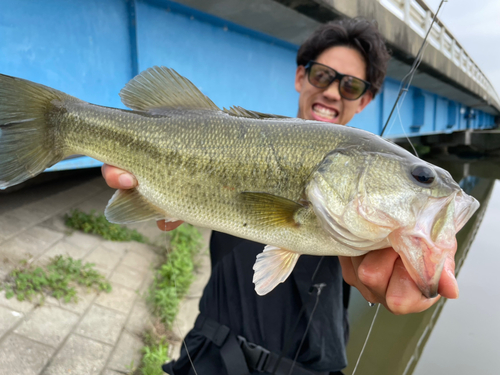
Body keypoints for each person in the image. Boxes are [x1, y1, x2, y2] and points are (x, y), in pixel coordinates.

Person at [102, 18, 459, 374]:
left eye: (350, 86)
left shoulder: (367, 216)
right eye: (322, 76)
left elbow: (398, 265)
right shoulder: (237, 141)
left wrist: (414, 264)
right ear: (300, 77)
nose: (333, 92)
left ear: (364, 101)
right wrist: (165, 198)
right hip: (211, 358)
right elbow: (175, 205)